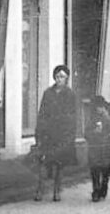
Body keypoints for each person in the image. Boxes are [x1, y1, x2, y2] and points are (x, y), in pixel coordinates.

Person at [35, 64, 77, 202]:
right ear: (54, 77)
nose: (60, 79)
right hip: (48, 133)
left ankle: (56, 192)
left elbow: (73, 116)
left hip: (62, 134)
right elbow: (42, 113)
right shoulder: (48, 93)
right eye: (58, 76)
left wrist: (70, 135)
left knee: (59, 164)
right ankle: (40, 191)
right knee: (43, 162)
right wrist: (39, 133)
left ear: (67, 79)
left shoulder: (70, 94)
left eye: (63, 77)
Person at [86, 95, 110, 202]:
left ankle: (104, 187)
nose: (99, 109)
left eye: (101, 106)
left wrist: (107, 117)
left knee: (106, 170)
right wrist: (94, 133)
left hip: (106, 146)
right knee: (94, 169)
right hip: (94, 146)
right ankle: (96, 191)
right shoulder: (91, 118)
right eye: (97, 107)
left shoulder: (108, 116)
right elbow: (86, 133)